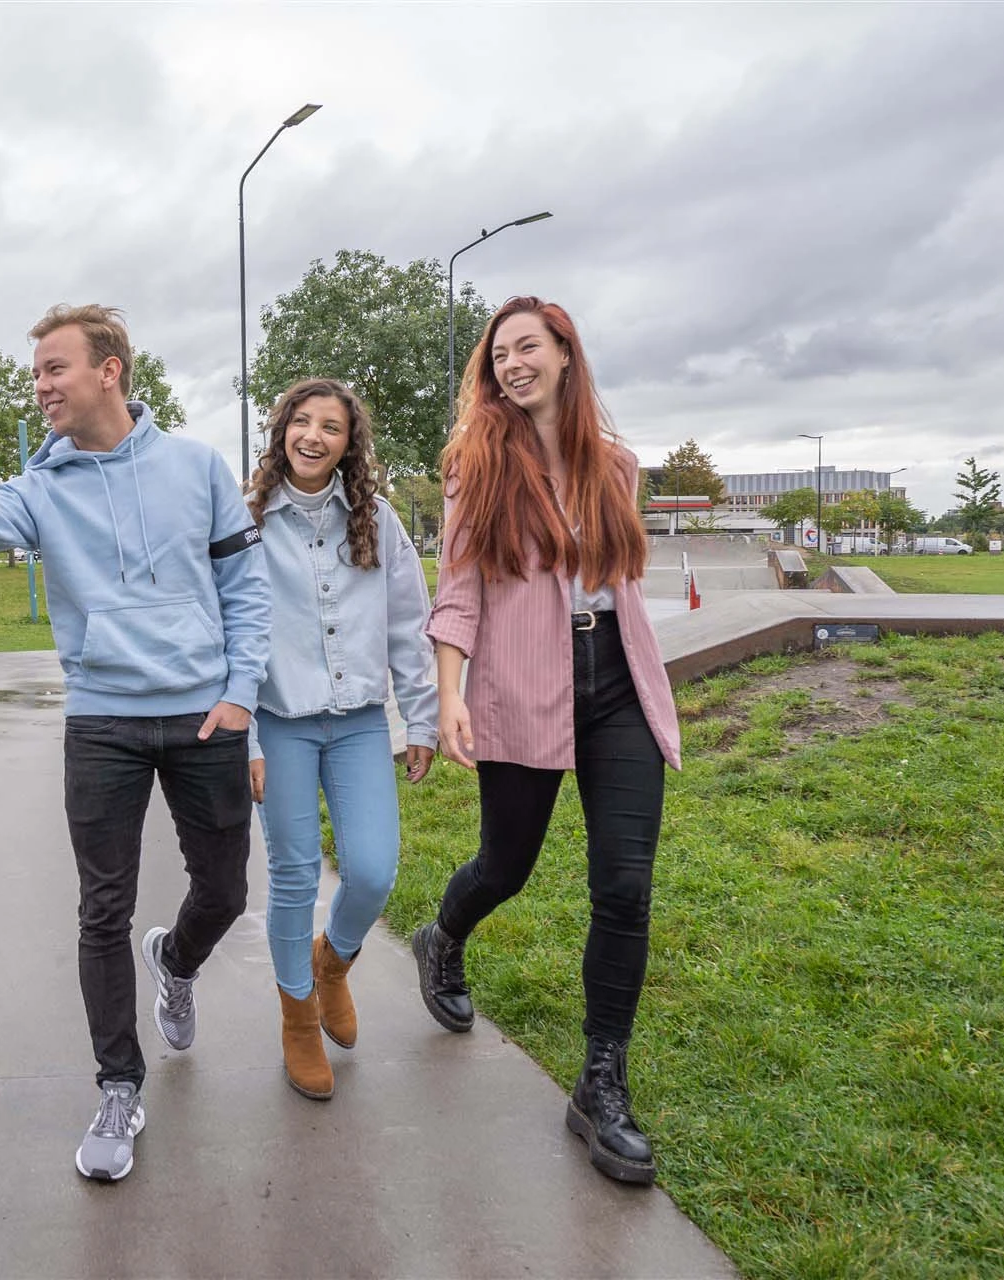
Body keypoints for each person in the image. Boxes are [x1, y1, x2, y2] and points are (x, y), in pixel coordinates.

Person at [0, 304, 268, 1182]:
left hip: (205, 718)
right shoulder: (41, 488)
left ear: (110, 371)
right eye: (36, 372)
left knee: (226, 891)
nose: (39, 386)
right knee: (102, 910)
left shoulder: (198, 467)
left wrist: (241, 697)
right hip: (104, 722)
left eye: (54, 368)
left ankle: (177, 959)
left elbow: (246, 589)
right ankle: (120, 1084)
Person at [412, 296, 681, 1185]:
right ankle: (444, 937)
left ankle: (602, 1082)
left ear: (566, 353)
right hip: (521, 683)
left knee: (625, 886)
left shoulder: (618, 465)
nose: (511, 365)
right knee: (507, 865)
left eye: (528, 347)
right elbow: (456, 592)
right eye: (499, 356)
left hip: (620, 688)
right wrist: (449, 694)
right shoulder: (475, 465)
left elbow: (621, 582)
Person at [244, 379, 436, 1100]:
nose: (314, 436)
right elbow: (228, 633)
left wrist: (420, 718)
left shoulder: (378, 521)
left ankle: (332, 966)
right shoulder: (247, 520)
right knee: (293, 877)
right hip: (278, 723)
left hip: (357, 723)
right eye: (302, 422)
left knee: (374, 871)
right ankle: (297, 1018)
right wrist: (244, 742)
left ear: (350, 442)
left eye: (331, 426)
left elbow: (407, 628)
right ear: (281, 431)